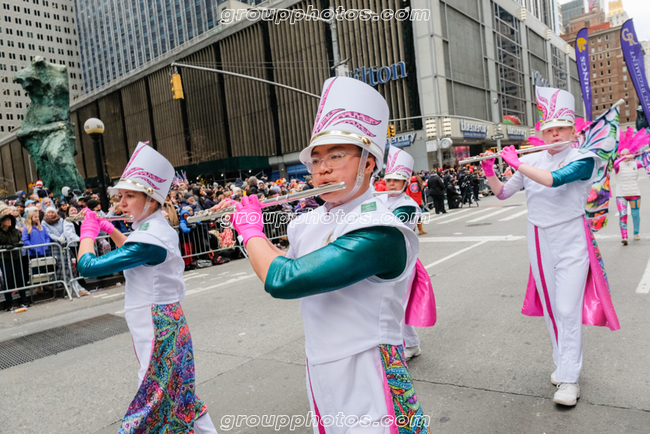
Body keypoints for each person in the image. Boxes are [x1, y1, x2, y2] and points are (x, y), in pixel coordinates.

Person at [217, 77, 429, 433]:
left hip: (369, 369)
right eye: (315, 160)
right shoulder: (308, 221)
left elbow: (285, 279)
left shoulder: (381, 230)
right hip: (320, 365)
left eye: (336, 155)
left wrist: (251, 230)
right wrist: (245, 224)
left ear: (368, 163)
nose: (322, 169)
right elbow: (286, 262)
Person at [481, 87, 620, 406]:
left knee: (567, 308)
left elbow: (554, 180)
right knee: (552, 309)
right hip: (538, 237)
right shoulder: (531, 159)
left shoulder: (583, 159)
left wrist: (517, 162)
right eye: (549, 129)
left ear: (573, 131)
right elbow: (502, 194)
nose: (555, 133)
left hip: (572, 239)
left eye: (561, 128)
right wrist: (490, 171)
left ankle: (570, 379)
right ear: (542, 133)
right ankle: (562, 364)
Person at [75, 142, 218, 433]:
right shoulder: (152, 229)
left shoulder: (151, 238)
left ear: (151, 200)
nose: (121, 204)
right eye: (121, 196)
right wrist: (109, 228)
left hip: (157, 327)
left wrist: (86, 234)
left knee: (152, 403)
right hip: (163, 322)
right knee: (181, 398)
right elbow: (132, 249)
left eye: (130, 196)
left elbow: (88, 266)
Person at [378, 146, 437, 362]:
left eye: (396, 180)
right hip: (380, 260)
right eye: (389, 180)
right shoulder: (379, 200)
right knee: (387, 305)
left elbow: (391, 229)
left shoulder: (409, 205)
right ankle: (408, 344)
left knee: (394, 305)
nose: (391, 184)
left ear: (405, 183)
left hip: (401, 260)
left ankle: (406, 346)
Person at [611, 140, 644, 245]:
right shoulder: (617, 165)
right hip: (621, 194)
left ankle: (636, 233)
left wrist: (645, 152)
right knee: (623, 215)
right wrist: (624, 157)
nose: (625, 157)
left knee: (635, 215)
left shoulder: (635, 164)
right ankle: (624, 237)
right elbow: (613, 164)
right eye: (623, 155)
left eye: (627, 154)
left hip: (635, 193)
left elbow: (645, 161)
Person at [0, 209, 29, 311]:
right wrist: (4, 247)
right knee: (8, 280)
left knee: (20, 278)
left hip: (16, 256)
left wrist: (20, 243)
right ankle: (9, 303)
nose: (9, 221)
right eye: (6, 219)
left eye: (9, 219)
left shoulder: (14, 231)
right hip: (5, 258)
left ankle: (24, 300)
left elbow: (18, 239)